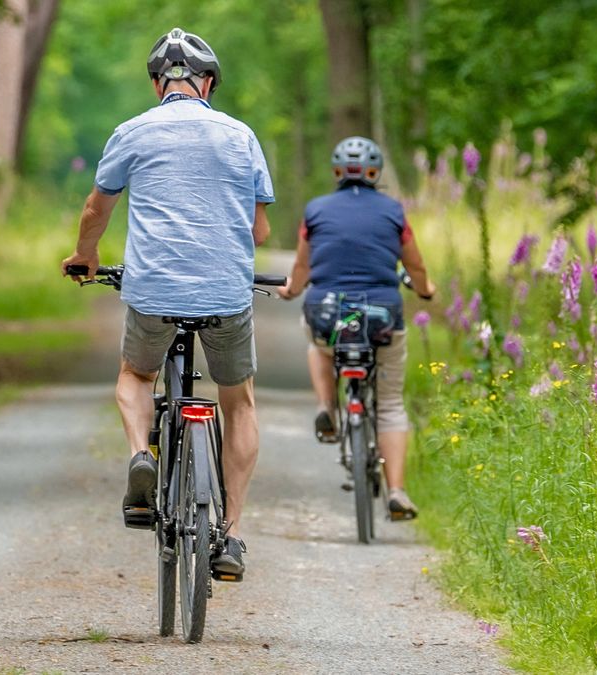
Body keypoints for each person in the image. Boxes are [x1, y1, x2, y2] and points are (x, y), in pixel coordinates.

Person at [61, 28, 274, 578]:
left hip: (153, 290)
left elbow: (95, 210)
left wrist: (86, 256)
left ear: (158, 84)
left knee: (135, 375)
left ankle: (141, 455)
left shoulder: (132, 131)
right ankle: (230, 536)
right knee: (240, 401)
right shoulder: (240, 135)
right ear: (208, 83)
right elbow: (261, 228)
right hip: (227, 292)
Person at [277, 136, 434, 520]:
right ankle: (396, 491)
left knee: (317, 342)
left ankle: (327, 406)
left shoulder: (315, 210)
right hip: (382, 316)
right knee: (392, 404)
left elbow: (302, 268)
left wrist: (292, 290)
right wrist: (427, 290)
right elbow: (414, 266)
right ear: (375, 172)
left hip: (328, 313)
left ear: (336, 172)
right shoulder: (395, 211)